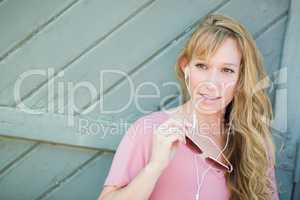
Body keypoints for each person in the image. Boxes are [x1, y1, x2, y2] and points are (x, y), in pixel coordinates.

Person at [98, 13, 279, 200]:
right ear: (186, 67)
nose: (212, 82)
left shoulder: (255, 143)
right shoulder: (149, 130)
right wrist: (155, 167)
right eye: (202, 66)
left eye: (227, 70)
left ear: (241, 78)